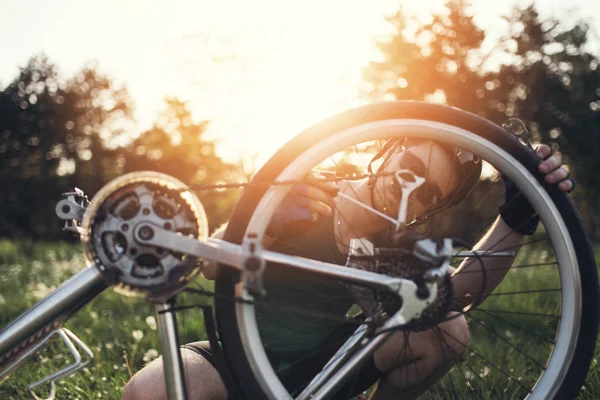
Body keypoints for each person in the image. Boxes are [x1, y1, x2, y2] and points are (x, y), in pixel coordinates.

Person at [122, 137, 574, 400]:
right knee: (149, 392)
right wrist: (262, 227)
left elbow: (454, 298)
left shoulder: (392, 244)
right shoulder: (305, 188)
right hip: (228, 357)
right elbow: (208, 265)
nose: (408, 188)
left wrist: (517, 218)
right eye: (408, 167)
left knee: (445, 329)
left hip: (323, 369)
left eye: (427, 192)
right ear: (387, 150)